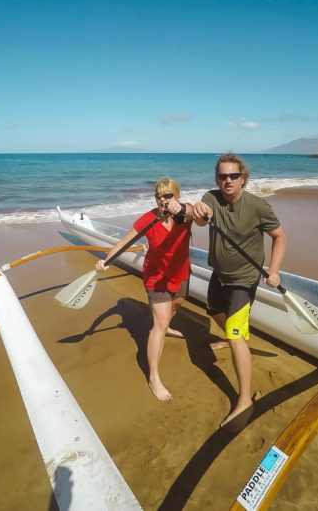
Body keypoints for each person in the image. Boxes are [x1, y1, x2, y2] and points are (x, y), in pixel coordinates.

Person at [191, 153, 286, 431]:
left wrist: (275, 269)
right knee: (213, 312)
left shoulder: (257, 206)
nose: (228, 181)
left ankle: (245, 399)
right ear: (216, 179)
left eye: (233, 176)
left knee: (233, 334)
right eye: (222, 176)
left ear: (243, 178)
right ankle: (236, 336)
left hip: (244, 281)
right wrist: (198, 211)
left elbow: (280, 236)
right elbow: (200, 215)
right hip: (219, 275)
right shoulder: (211, 198)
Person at [96, 178, 194, 402]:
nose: (163, 200)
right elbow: (125, 242)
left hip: (180, 272)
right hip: (156, 277)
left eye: (169, 195)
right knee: (158, 326)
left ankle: (166, 324)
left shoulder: (185, 215)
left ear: (177, 197)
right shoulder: (149, 219)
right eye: (159, 196)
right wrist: (106, 259)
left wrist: (186, 209)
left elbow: (200, 215)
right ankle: (154, 378)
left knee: (178, 303)